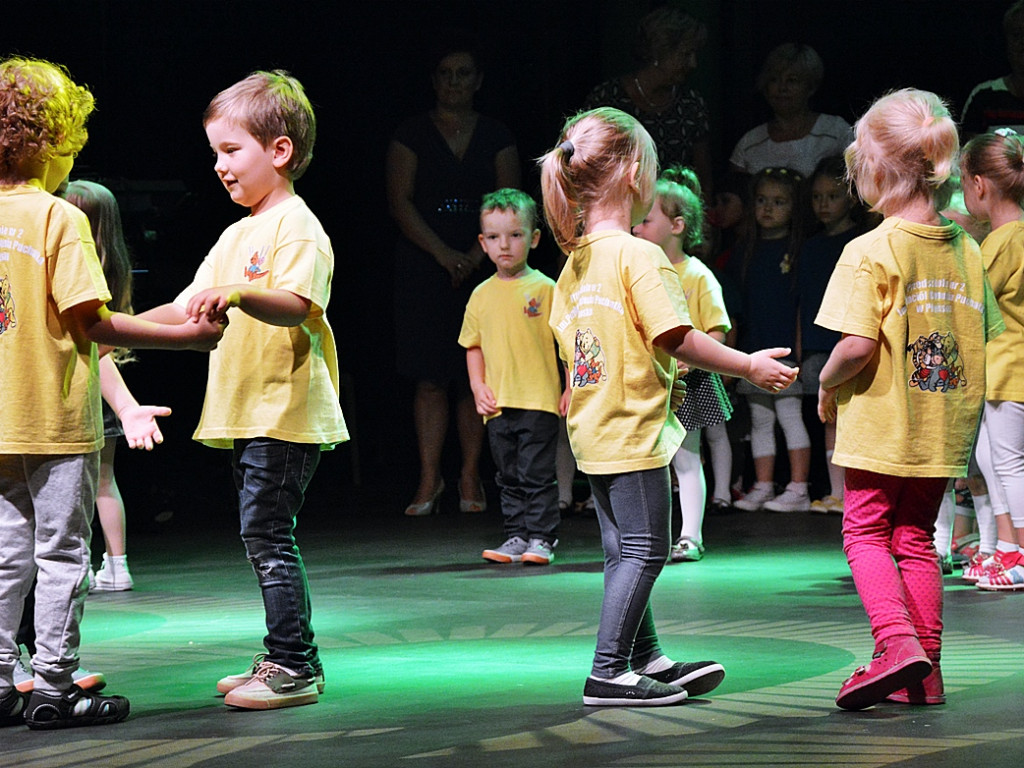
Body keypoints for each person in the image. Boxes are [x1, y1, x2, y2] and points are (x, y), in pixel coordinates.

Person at [540, 106, 798, 707]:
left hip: (593, 428)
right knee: (647, 547)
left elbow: (572, 343)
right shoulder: (639, 256)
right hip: (629, 428)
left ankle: (643, 656)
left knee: (622, 549)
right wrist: (749, 365)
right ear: (634, 173)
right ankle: (608, 671)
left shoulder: (575, 262)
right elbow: (676, 336)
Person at [0, 56, 224, 730]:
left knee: (6, 553)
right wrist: (188, 339)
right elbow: (90, 322)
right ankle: (55, 686)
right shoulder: (56, 219)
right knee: (64, 552)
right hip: (55, 420)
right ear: (55, 141)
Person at [139, 70, 348, 710]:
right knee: (262, 535)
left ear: (279, 151)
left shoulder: (297, 226)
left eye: (232, 151)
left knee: (267, 536)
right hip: (252, 409)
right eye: (216, 155)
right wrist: (112, 333)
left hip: (284, 411)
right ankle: (285, 654)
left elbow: (295, 303)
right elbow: (184, 307)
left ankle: (294, 665)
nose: (220, 167)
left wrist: (237, 292)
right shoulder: (236, 232)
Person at [816, 89, 1004, 710]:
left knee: (865, 533)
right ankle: (926, 675)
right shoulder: (968, 249)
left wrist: (824, 384)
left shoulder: (869, 250)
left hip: (880, 423)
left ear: (873, 168)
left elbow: (856, 347)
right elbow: (981, 333)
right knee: (917, 538)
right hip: (943, 426)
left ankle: (895, 645)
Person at [386, 39, 520, 517]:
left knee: (472, 376)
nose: (455, 82)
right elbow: (399, 201)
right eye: (446, 73)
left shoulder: (496, 134)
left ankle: (469, 475)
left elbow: (509, 200)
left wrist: (474, 252)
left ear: (478, 81)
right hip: (426, 264)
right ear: (434, 79)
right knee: (430, 375)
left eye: (464, 73)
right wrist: (443, 253)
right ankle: (429, 477)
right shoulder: (411, 133)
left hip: (484, 263)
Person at [459, 189, 569, 565]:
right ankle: (516, 534)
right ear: (482, 242)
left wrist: (570, 387)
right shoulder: (480, 295)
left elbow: (566, 344)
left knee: (535, 473)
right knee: (507, 475)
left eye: (515, 235)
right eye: (493, 237)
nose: (504, 245)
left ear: (534, 238)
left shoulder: (546, 289)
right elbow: (473, 346)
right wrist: (478, 387)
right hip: (498, 403)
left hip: (538, 398)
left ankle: (541, 537)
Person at [633, 167, 732, 561]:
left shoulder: (698, 276)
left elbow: (717, 331)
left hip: (687, 383)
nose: (636, 228)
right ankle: (650, 536)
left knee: (687, 457)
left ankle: (690, 535)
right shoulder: (639, 270)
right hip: (649, 381)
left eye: (645, 220)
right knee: (652, 462)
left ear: (676, 225)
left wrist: (691, 362)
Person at [64, 180, 137, 591]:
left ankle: (75, 565)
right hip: (106, 381)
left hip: (79, 380)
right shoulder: (112, 262)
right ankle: (117, 564)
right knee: (103, 479)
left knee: (65, 482)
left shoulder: (73, 262)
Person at [959, 129, 1024, 591]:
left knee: (1009, 462)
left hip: (1010, 370)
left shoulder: (1002, 242)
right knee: (990, 456)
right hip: (999, 371)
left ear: (979, 185)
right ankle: (1005, 547)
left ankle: (1020, 550)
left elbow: (972, 305)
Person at [732, 168, 812, 512]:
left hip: (786, 351)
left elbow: (802, 305)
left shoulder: (798, 251)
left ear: (795, 208)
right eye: (762, 201)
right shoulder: (745, 250)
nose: (768, 209)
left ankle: (799, 487)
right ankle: (764, 485)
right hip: (754, 351)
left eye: (778, 202)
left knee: (790, 416)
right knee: (761, 420)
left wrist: (799, 351)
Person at [797, 156, 867, 513]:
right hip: (818, 347)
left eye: (833, 196)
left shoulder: (862, 242)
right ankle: (837, 493)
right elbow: (804, 302)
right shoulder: (810, 246)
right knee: (829, 420)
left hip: (852, 344)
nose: (823, 205)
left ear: (851, 197)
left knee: (856, 419)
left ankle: (857, 496)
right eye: (817, 197)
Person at [583, 6, 712, 192]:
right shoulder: (608, 99)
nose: (693, 63)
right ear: (660, 52)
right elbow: (590, 172)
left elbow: (703, 182)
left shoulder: (691, 104)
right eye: (685, 54)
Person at [729, 44, 853, 178]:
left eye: (792, 80)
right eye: (774, 80)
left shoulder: (836, 132)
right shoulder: (749, 143)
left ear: (810, 87)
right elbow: (735, 194)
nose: (782, 88)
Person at [962, 1, 1024, 137]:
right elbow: (969, 153)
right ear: (1007, 42)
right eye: (1016, 35)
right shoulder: (983, 96)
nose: (1022, 44)